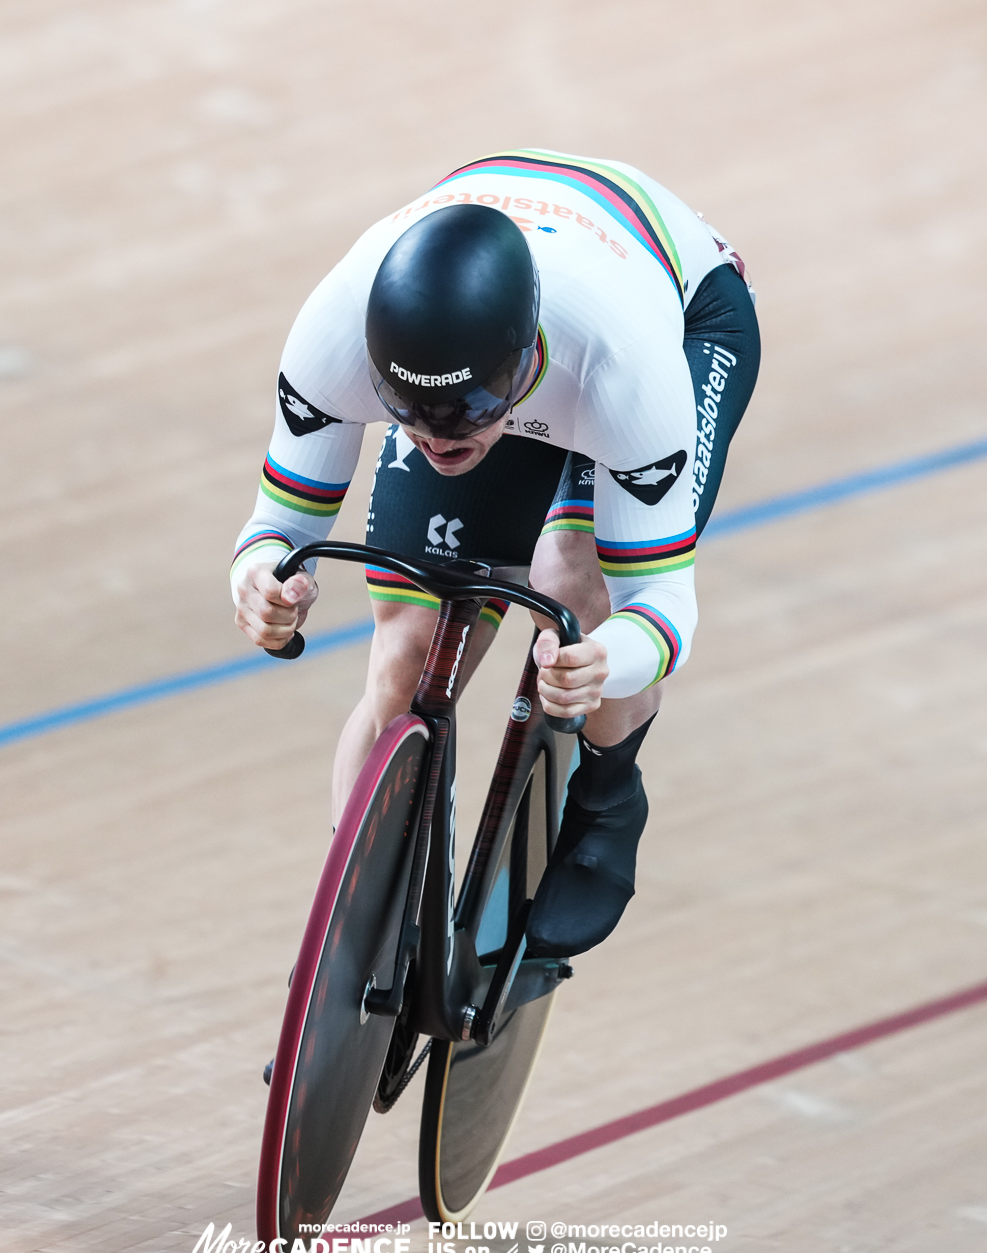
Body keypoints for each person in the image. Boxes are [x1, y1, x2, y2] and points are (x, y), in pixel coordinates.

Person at [229, 148, 759, 958]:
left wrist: (607, 657)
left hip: (682, 314)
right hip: (516, 320)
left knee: (572, 580)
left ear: (520, 367)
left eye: (469, 413)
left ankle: (610, 796)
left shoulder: (624, 368)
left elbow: (664, 605)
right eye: (405, 411)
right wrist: (260, 581)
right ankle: (348, 952)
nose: (439, 441)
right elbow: (277, 529)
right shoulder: (334, 331)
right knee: (403, 650)